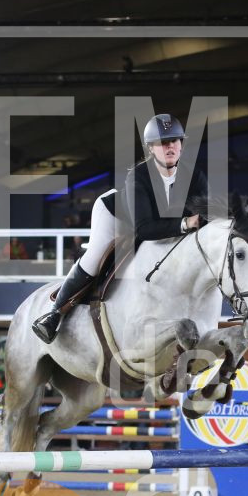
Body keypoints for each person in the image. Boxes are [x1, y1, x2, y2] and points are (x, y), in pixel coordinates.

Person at [32, 113, 208, 343]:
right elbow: (144, 229)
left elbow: (205, 215)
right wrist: (186, 223)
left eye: (174, 141)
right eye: (163, 142)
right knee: (95, 258)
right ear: (151, 148)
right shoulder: (139, 176)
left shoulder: (194, 176)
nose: (170, 147)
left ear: (181, 144)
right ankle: (54, 314)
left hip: (161, 226)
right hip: (116, 216)